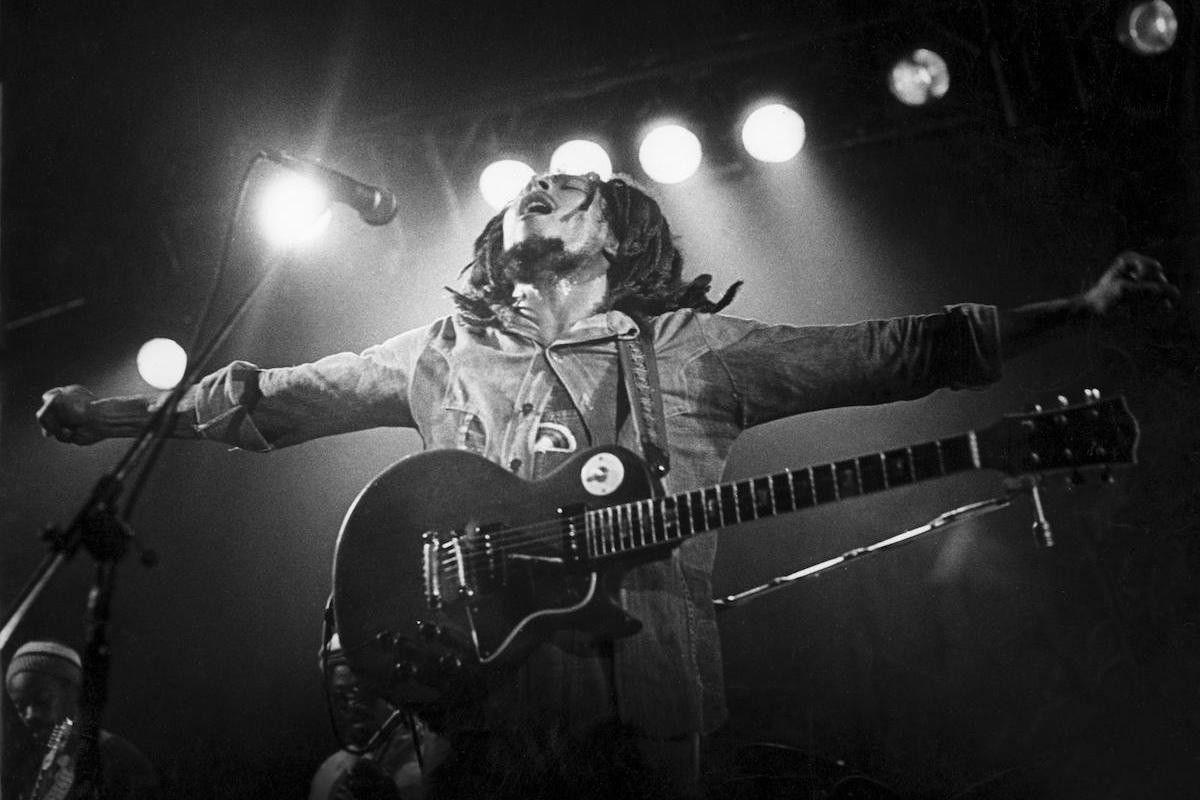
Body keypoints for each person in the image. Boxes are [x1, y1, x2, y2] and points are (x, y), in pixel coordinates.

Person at [36, 172, 1177, 798]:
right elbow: (270, 397)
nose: (539, 184)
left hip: (643, 699)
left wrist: (1078, 310)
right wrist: (117, 417)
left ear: (619, 237)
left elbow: (889, 351)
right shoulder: (438, 350)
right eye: (528, 188)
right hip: (466, 714)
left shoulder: (690, 352)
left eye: (572, 188)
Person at [4, 640, 161, 800]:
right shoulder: (29, 766)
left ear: (75, 693)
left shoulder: (118, 760)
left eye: (43, 700)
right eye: (20, 707)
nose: (30, 715)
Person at [310, 634, 449, 800]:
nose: (352, 705)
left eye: (359, 691)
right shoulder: (329, 773)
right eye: (341, 695)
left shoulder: (433, 756)